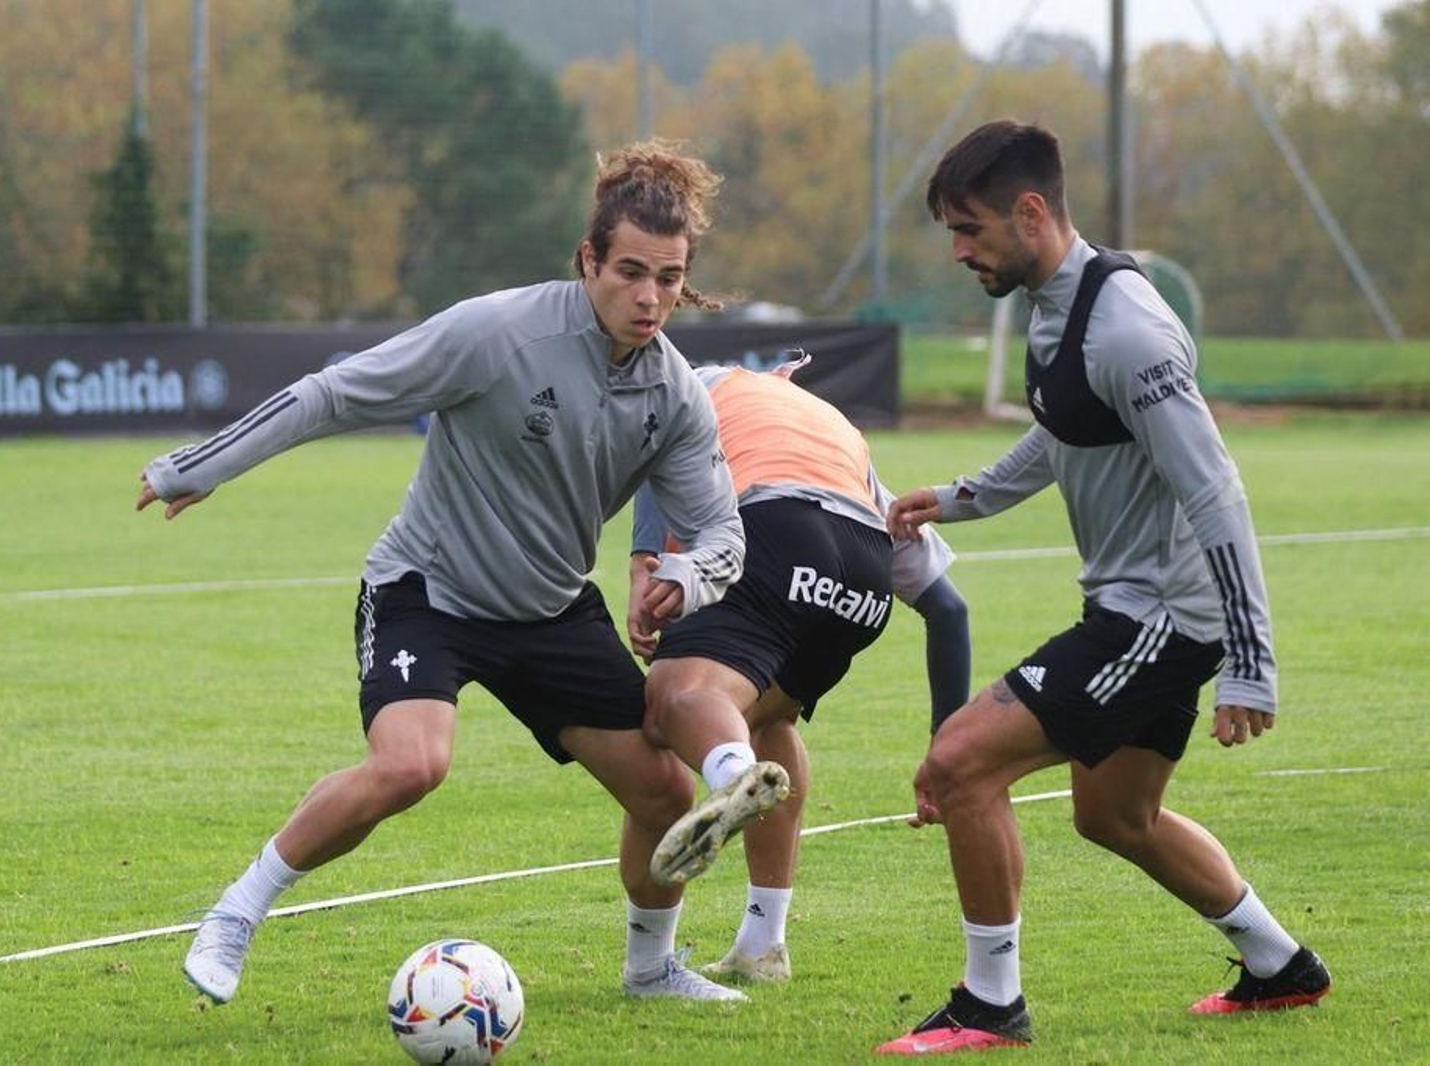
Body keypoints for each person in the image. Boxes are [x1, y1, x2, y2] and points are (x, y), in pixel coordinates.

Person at [137, 140, 782, 1007]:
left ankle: (650, 970)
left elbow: (722, 535)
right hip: (428, 592)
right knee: (412, 765)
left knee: (666, 795)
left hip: (550, 610)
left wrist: (690, 578)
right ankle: (234, 915)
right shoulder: (499, 334)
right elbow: (335, 392)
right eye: (630, 272)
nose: (649, 297)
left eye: (669, 279)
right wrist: (203, 465)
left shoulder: (674, 395)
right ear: (588, 261)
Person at [876, 120, 1331, 1056]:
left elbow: (1215, 490)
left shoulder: (1129, 331)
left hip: (1160, 617)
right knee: (1116, 816)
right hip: (1136, 608)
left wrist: (1252, 663)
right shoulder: (1058, 302)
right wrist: (962, 498)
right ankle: (1280, 966)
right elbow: (1062, 427)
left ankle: (988, 1005)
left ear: (1030, 212)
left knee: (959, 763)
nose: (958, 252)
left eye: (969, 229)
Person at [628, 354, 972, 984]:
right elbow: (949, 609)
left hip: (772, 530)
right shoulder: (836, 431)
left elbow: (656, 443)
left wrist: (643, 562)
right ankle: (763, 946)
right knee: (770, 719)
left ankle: (733, 776)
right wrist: (946, 755)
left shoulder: (703, 382)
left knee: (671, 703)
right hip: (862, 572)